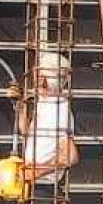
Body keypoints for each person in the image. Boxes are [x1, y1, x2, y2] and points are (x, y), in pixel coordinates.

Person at [20, 52, 79, 185]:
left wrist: (36, 172)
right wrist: (20, 108)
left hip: (44, 184)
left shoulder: (59, 110)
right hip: (30, 181)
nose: (35, 77)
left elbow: (70, 157)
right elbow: (26, 132)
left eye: (39, 73)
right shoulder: (42, 101)